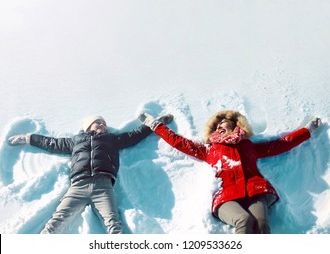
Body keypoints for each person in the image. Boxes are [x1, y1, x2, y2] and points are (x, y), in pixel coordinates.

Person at [139, 110, 322, 234]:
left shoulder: (248, 145)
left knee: (262, 223)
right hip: (226, 197)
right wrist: (155, 124)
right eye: (217, 126)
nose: (220, 127)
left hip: (255, 190)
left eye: (224, 124)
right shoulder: (209, 149)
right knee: (244, 220)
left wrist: (308, 130)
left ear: (235, 126)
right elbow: (178, 141)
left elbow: (281, 144)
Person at [8, 114, 173, 234]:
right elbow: (51, 143)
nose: (102, 126)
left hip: (103, 186)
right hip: (78, 185)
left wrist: (156, 123)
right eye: (98, 123)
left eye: (104, 124)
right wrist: (27, 138)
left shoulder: (112, 139)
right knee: (56, 221)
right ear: (88, 126)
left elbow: (135, 135)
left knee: (113, 224)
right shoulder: (75, 141)